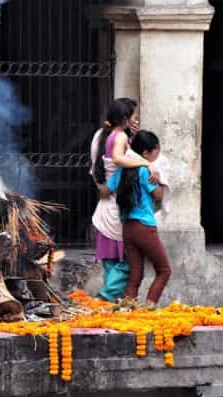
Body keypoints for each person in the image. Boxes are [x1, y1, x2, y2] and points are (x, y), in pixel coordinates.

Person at [88, 98, 159, 301]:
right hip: (118, 208)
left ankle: (110, 304)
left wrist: (131, 137)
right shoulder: (119, 136)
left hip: (105, 208)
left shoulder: (102, 135)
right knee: (129, 262)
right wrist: (146, 163)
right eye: (134, 116)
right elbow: (118, 159)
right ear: (125, 118)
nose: (136, 119)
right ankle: (105, 297)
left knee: (111, 262)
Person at [106, 131, 170, 304]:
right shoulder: (145, 170)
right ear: (146, 153)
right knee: (164, 270)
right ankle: (149, 309)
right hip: (145, 227)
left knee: (135, 272)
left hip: (128, 227)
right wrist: (160, 178)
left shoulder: (122, 169)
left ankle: (129, 309)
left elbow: (108, 188)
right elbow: (158, 195)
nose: (158, 154)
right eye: (156, 151)